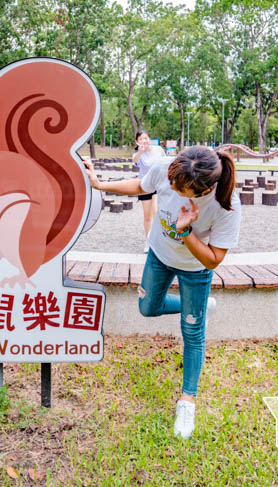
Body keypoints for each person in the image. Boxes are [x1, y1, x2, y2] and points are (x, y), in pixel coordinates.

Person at [83, 146, 241, 440]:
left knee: (192, 331)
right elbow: (143, 186)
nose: (169, 188)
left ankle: (187, 401)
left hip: (195, 269)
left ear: (201, 191)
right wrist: (101, 184)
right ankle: (198, 307)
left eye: (177, 188)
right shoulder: (170, 168)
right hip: (158, 255)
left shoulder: (225, 204)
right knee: (147, 307)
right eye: (169, 180)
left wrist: (185, 233)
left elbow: (213, 259)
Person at [132, 130, 166, 252]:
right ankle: (148, 241)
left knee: (156, 211)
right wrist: (140, 152)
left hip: (158, 185)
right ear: (137, 141)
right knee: (147, 216)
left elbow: (165, 163)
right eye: (141, 139)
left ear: (149, 139)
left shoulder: (158, 150)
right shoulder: (137, 154)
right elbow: (135, 162)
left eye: (145, 138)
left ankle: (160, 240)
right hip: (145, 186)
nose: (144, 141)